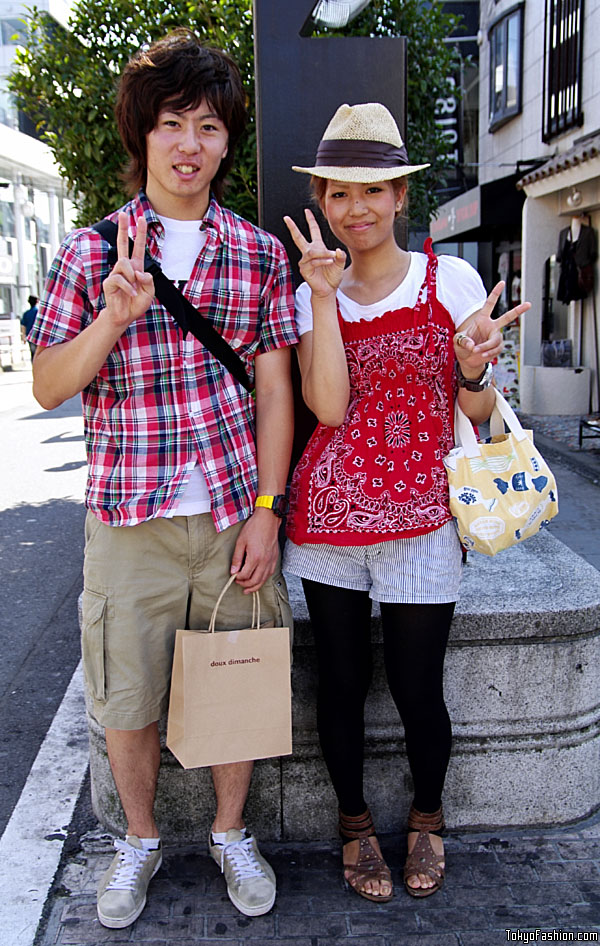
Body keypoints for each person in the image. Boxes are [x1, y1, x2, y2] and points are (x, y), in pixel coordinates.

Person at [28, 30, 298, 929]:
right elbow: (49, 383)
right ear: (144, 135)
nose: (190, 144)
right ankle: (137, 839)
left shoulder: (258, 255)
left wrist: (267, 508)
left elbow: (272, 387)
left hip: (230, 511)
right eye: (174, 123)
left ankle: (229, 833)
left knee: (237, 682)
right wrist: (111, 320)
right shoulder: (88, 252)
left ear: (228, 141)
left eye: (210, 126)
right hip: (130, 518)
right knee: (128, 697)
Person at [283, 103, 529, 902]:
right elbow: (325, 412)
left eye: (374, 191)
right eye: (340, 193)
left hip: (426, 517)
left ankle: (426, 819)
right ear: (322, 198)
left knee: (421, 687)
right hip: (329, 522)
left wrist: (474, 370)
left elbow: (483, 413)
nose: (357, 209)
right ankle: (355, 828)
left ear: (398, 197)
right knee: (343, 685)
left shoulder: (448, 279)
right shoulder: (308, 293)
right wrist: (323, 300)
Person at [21, 294, 38, 359]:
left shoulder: (26, 313)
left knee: (33, 354)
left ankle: (35, 368)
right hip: (39, 336)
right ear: (37, 301)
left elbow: (23, 326)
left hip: (30, 337)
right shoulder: (39, 312)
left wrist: (23, 337)